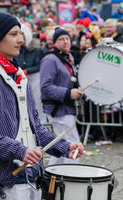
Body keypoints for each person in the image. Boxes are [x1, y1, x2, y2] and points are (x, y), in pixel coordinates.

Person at [0, 11, 84, 200]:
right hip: (6, 176)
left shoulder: (19, 75)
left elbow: (34, 126)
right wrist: (19, 150)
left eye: (20, 33)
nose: (21, 40)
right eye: (13, 34)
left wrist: (64, 147)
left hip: (32, 172)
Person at [40, 28, 83, 165]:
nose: (65, 42)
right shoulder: (50, 59)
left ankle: (50, 178)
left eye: (67, 39)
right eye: (61, 39)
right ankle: (72, 177)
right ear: (54, 42)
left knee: (61, 146)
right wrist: (68, 93)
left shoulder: (65, 57)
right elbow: (45, 87)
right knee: (73, 145)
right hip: (58, 109)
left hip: (65, 108)